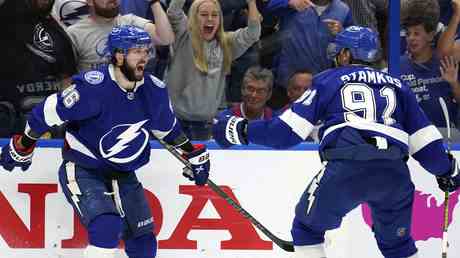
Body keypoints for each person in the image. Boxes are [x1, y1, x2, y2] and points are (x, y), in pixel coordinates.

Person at [212, 26, 460, 258]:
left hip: (347, 166)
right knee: (398, 245)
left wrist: (239, 129)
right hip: (393, 173)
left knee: (306, 230)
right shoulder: (398, 86)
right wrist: (448, 170)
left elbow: (287, 131)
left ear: (345, 55)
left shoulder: (328, 79)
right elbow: (426, 143)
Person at [0, 25, 210, 258]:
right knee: (106, 228)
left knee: (144, 244)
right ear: (119, 55)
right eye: (137, 51)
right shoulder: (93, 88)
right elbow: (46, 113)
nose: (144, 58)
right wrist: (24, 144)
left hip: (123, 173)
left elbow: (168, 130)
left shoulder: (154, 90)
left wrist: (192, 155)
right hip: (83, 169)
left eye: (146, 51)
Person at [165, 0, 261, 140]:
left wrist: (251, 2)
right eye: (204, 14)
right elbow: (173, 11)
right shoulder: (183, 34)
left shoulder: (226, 43)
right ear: (193, 17)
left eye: (215, 15)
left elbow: (253, 33)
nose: (210, 19)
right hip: (174, 121)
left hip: (205, 124)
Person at [0, 0, 77, 137]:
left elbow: (67, 79)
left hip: (50, 120)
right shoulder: (6, 17)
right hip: (10, 120)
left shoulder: (59, 34)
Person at [400, 0, 460, 140]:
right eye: (408, 34)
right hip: (414, 138)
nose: (411, 39)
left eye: (416, 33)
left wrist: (453, 83)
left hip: (448, 137)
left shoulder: (445, 63)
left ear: (431, 35)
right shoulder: (398, 66)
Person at [67, 0, 174, 72]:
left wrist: (154, 2)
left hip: (130, 99)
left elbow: (165, 39)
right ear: (90, 1)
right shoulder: (75, 33)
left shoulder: (130, 21)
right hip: (94, 100)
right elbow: (67, 77)